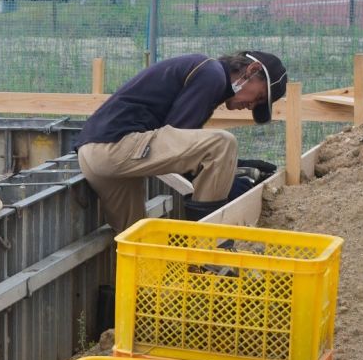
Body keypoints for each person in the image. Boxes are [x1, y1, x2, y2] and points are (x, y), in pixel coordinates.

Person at [74, 51, 287, 233]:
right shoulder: (211, 74)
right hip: (117, 146)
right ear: (252, 70)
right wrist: (228, 181)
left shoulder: (205, 72)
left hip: (92, 154)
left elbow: (178, 149)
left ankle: (146, 279)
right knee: (223, 143)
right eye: (259, 97)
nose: (251, 106)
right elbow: (179, 136)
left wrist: (231, 168)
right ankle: (205, 250)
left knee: (139, 239)